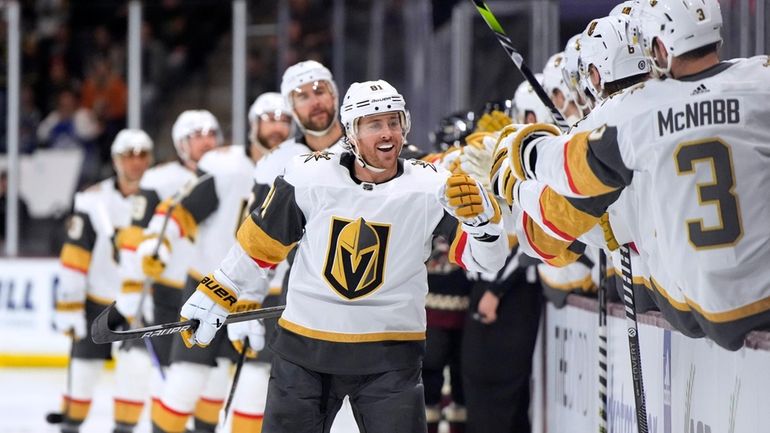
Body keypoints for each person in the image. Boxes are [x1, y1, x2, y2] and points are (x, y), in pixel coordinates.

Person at [178, 79, 509, 432]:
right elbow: (261, 244)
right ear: (351, 131)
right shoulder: (308, 176)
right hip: (305, 353)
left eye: (394, 122)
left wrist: (483, 224)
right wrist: (218, 292)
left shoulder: (433, 187)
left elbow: (486, 262)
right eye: (374, 124)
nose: (387, 133)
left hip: (390, 357)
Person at [496, 0, 770, 350]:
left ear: (659, 45)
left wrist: (521, 156)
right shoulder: (760, 77)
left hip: (691, 302)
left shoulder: (636, 110)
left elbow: (550, 222)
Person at [134, 94, 291, 433]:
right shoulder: (224, 165)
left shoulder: (300, 169)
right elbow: (184, 208)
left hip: (268, 295)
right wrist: (158, 243)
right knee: (186, 381)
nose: (277, 126)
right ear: (253, 124)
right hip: (210, 286)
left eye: (284, 119)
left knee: (253, 386)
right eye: (269, 118)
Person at [114, 110, 221, 433]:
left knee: (210, 381)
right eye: (196, 135)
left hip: (212, 293)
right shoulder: (158, 180)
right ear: (180, 143)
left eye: (210, 133)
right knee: (172, 383)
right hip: (167, 295)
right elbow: (134, 239)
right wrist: (133, 289)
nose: (206, 141)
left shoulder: (229, 175)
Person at [52, 129, 153, 433]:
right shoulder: (93, 199)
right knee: (82, 375)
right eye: (128, 155)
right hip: (98, 300)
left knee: (134, 375)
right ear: (115, 159)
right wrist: (69, 305)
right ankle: (70, 425)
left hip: (140, 304)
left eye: (141, 155)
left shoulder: (162, 197)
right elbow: (75, 256)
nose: (135, 163)